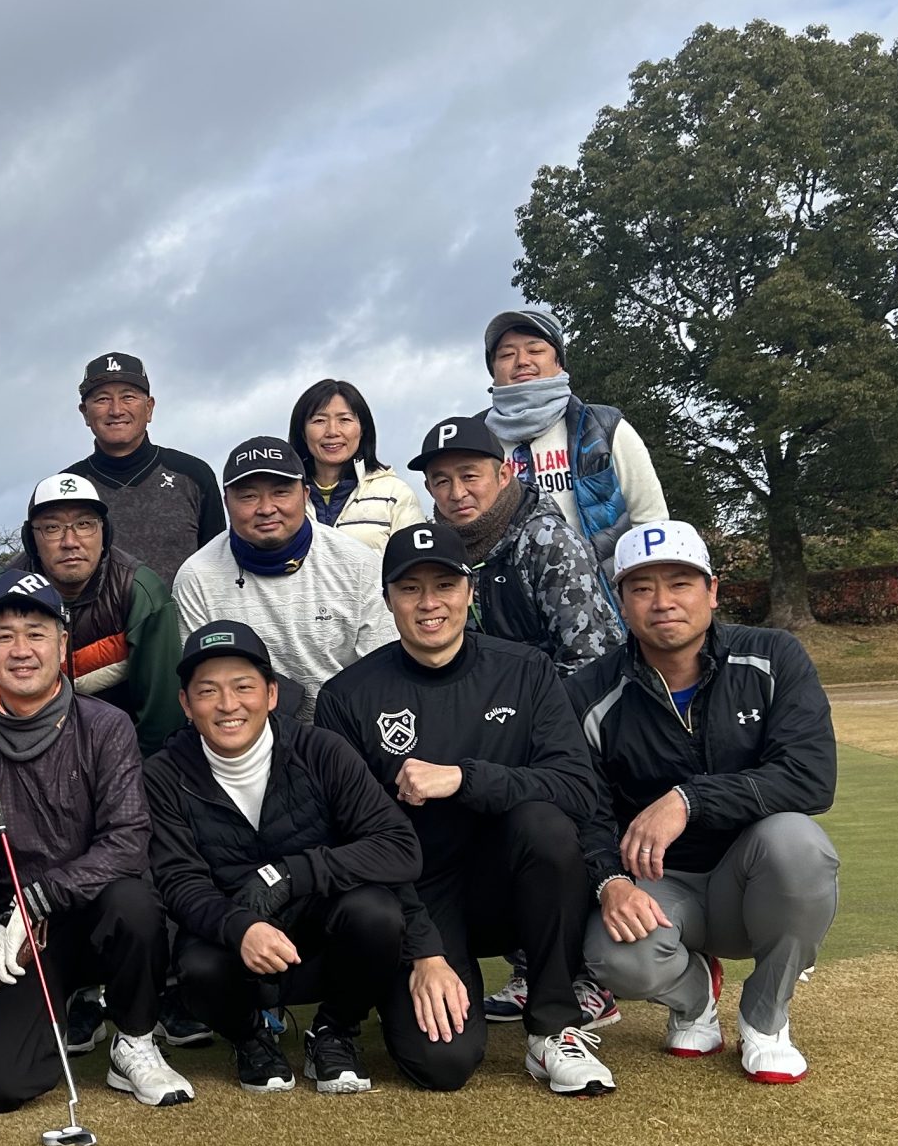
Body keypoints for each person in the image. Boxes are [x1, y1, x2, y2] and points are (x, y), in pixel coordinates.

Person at [313, 522, 620, 1097]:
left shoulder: (525, 669)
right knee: (443, 1064)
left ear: (470, 591)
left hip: (508, 883)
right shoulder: (347, 696)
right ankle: (413, 986)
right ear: (387, 599)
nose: (429, 603)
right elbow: (352, 840)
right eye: (410, 589)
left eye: (444, 586)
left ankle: (553, 1027)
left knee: (546, 825)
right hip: (419, 894)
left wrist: (463, 778)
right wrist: (423, 951)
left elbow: (578, 788)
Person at [575, 523, 839, 1083]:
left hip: (755, 876)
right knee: (614, 955)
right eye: (641, 588)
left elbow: (810, 778)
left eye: (680, 583)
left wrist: (688, 800)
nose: (663, 602)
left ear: (712, 591)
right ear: (619, 601)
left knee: (798, 843)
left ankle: (766, 1019)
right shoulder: (589, 692)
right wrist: (609, 882)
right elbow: (585, 810)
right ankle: (695, 999)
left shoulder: (774, 655)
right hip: (661, 883)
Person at [0, 567, 192, 1112]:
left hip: (89, 915)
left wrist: (40, 897)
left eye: (37, 633)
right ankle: (22, 1019)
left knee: (136, 903)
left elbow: (127, 841)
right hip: (8, 932)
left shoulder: (106, 725)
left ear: (63, 643)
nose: (22, 650)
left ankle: (134, 1040)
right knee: (5, 1086)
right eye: (4, 636)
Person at [141, 623, 425, 1094]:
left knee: (376, 913)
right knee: (198, 968)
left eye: (243, 687)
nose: (228, 704)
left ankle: (335, 1030)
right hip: (234, 937)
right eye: (208, 691)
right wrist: (240, 926)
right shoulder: (162, 775)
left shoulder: (322, 750)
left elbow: (399, 846)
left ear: (272, 694)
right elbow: (178, 881)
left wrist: (291, 874)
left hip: (322, 932)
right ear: (186, 705)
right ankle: (250, 1037)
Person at [0, 473, 184, 757]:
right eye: (52, 527)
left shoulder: (138, 590)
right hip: (26, 759)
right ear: (31, 539)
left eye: (84, 524)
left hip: (121, 756)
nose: (70, 541)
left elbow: (161, 719)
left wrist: (130, 774)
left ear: (105, 532)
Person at [171, 436, 395, 720]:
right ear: (226, 502)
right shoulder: (196, 577)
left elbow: (383, 674)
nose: (266, 508)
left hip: (347, 726)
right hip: (244, 728)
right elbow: (200, 684)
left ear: (305, 494)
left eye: (280, 492)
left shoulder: (358, 563)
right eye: (248, 496)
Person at [411, 416, 622, 674]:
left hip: (557, 695)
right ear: (428, 488)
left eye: (469, 476)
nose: (457, 493)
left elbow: (588, 663)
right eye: (442, 481)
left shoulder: (549, 542)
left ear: (503, 475)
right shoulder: (437, 554)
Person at [482, 306, 668, 577]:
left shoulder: (605, 426)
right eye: (507, 354)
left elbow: (651, 522)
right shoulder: (476, 438)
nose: (521, 361)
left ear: (559, 362)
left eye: (535, 350)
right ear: (493, 369)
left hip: (604, 593)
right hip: (507, 596)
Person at [65, 351, 225, 582]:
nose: (116, 410)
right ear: (85, 413)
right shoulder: (67, 488)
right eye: (102, 399)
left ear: (149, 408)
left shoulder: (193, 475)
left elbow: (220, 568)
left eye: (128, 397)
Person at [287, 377, 422, 547]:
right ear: (302, 432)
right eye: (319, 420)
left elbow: (416, 561)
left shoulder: (395, 494)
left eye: (344, 419)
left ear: (362, 428)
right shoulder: (282, 496)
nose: (332, 431)